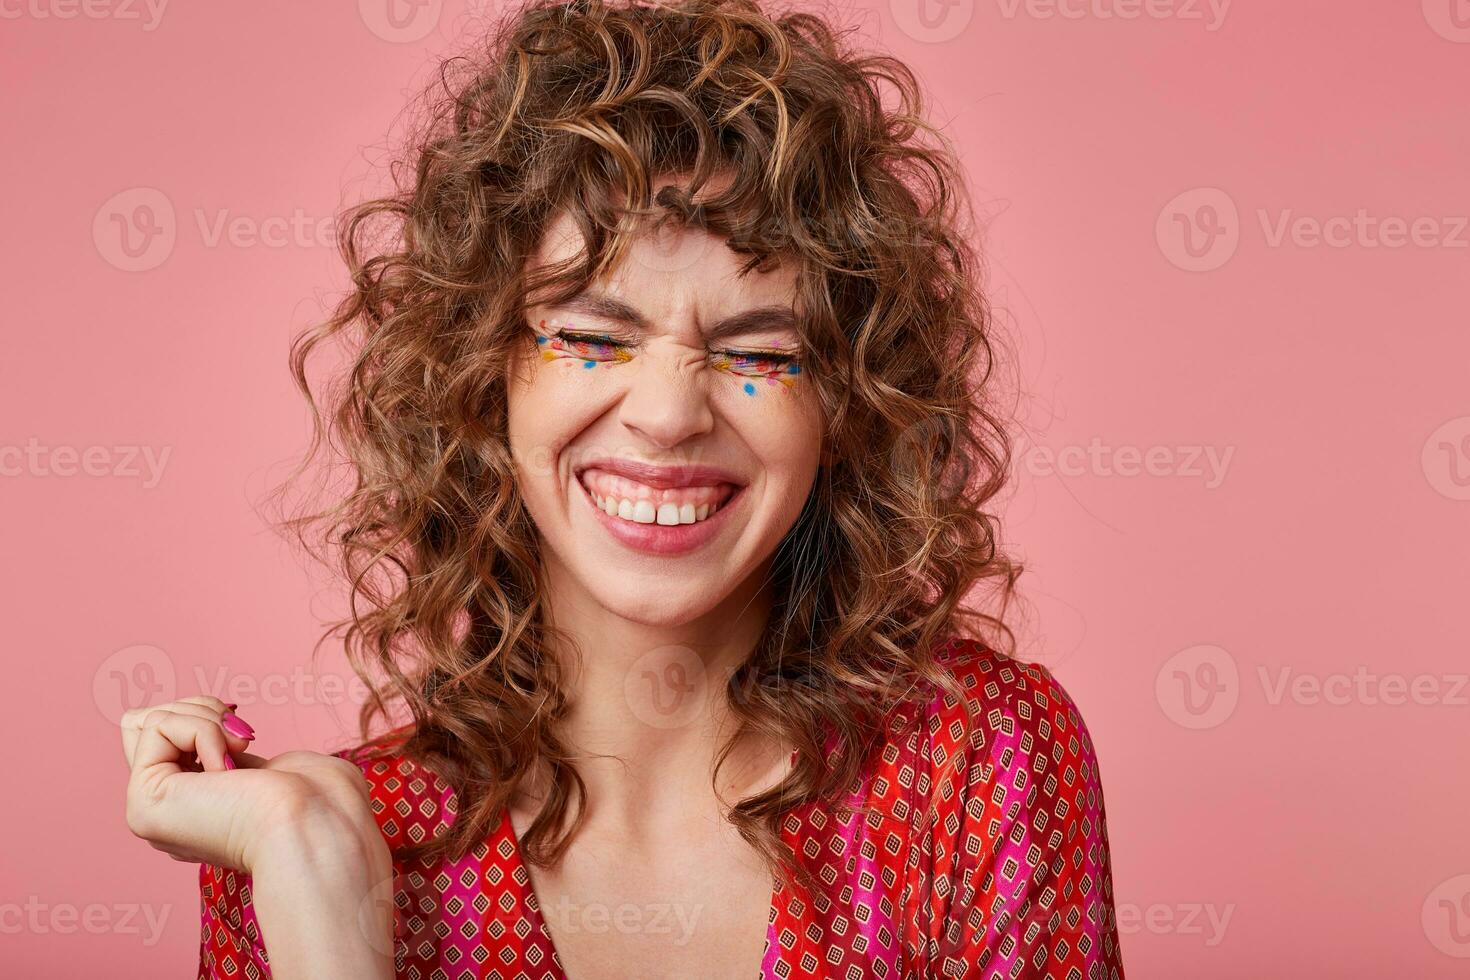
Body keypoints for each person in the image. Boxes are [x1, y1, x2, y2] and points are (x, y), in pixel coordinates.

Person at [119, 0, 1125, 976]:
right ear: (481, 373)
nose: (669, 412)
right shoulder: (311, 845)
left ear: (845, 407)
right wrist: (322, 909)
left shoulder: (975, 762)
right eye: (592, 335)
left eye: (761, 350)